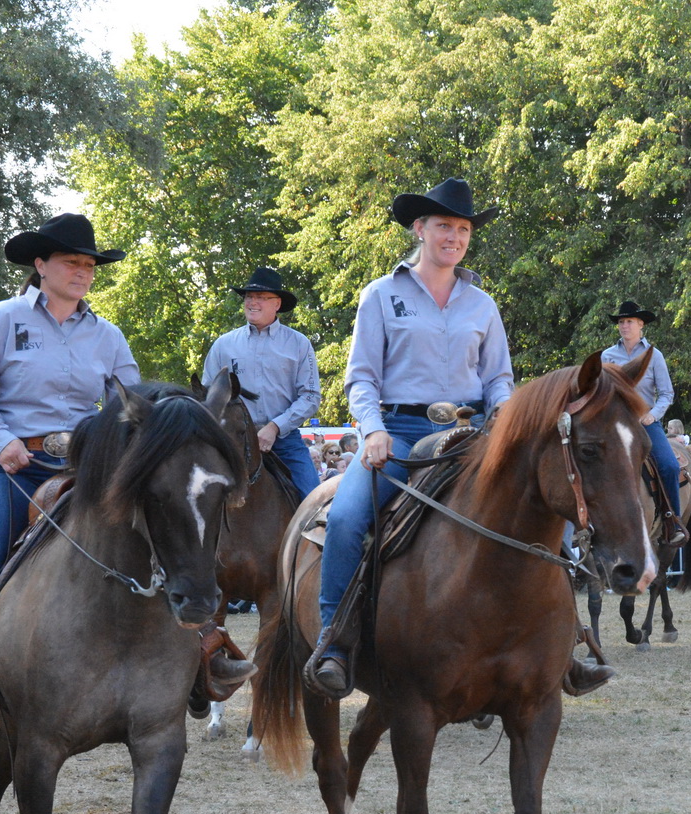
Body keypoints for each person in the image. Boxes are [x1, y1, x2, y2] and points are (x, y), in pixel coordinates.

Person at [305, 178, 514, 698]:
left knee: (533, 505)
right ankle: (334, 643)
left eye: (463, 228)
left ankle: (561, 643)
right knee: (351, 516)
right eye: (444, 225)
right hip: (398, 433)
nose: (455, 236)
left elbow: (498, 380)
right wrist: (372, 430)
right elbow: (361, 377)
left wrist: (508, 423)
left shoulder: (483, 304)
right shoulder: (380, 294)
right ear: (419, 229)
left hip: (469, 434)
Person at [0, 213, 139, 719]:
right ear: (41, 264)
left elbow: (131, 401)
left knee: (158, 532)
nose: (84, 272)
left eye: (90, 264)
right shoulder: (0, 319)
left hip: (83, 469)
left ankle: (194, 653)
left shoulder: (108, 335)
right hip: (10, 466)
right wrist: (0, 441)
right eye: (72, 262)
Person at [200, 266, 322, 498]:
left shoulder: (298, 343)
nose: (252, 302)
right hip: (232, 441)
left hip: (284, 441)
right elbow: (207, 395)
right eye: (249, 297)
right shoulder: (223, 345)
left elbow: (310, 396)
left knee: (314, 504)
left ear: (277, 304)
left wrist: (275, 427)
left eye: (260, 298)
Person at [600, 299, 687, 546]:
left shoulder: (654, 355)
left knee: (669, 465)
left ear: (641, 325)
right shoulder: (607, 356)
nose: (624, 326)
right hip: (614, 422)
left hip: (645, 421)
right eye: (621, 322)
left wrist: (653, 415)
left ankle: (672, 521)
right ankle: (589, 521)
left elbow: (667, 394)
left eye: (629, 321)